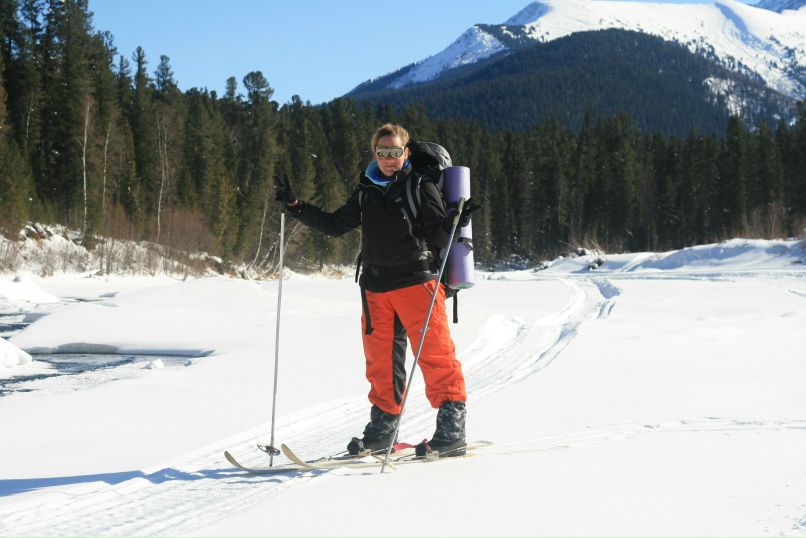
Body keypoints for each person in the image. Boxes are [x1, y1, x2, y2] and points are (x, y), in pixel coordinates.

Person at [274, 123, 478, 458]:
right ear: (375, 154)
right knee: (381, 362)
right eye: (382, 153)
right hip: (375, 288)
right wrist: (297, 206)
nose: (388, 159)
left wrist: (453, 220)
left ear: (406, 152)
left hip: (417, 283)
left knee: (434, 354)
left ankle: (451, 430)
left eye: (395, 152)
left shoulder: (419, 186)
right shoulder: (366, 190)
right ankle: (383, 430)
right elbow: (335, 225)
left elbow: (438, 238)